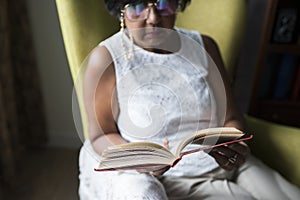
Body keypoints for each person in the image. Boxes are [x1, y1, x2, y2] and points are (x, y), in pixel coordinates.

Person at [78, 0, 300, 199]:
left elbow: (232, 118)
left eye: (164, 4)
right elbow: (100, 135)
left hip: (231, 165)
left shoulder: (205, 47)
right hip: (175, 177)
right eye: (137, 7)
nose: (153, 18)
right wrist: (141, 159)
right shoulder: (106, 58)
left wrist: (231, 142)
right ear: (120, 10)